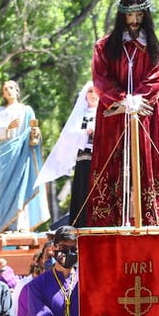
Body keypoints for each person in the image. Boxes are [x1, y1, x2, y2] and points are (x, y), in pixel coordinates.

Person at [86, 0, 159, 227]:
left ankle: (150, 220)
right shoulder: (105, 46)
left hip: (145, 113)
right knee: (113, 164)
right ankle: (110, 221)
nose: (135, 20)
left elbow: (156, 78)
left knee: (147, 162)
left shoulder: (154, 48)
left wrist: (139, 100)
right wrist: (121, 99)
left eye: (139, 14)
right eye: (130, 16)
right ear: (122, 17)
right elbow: (100, 78)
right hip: (114, 114)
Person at [0, 80, 49, 233]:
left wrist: (35, 134)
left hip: (21, 155)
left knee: (21, 185)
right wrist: (7, 127)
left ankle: (21, 225)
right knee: (2, 190)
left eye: (11, 88)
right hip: (4, 155)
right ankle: (4, 225)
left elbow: (34, 130)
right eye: (5, 89)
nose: (8, 91)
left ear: (17, 90)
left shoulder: (26, 110)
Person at [36, 81, 99, 227]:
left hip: (100, 161)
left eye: (96, 92)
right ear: (85, 95)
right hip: (83, 160)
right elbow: (69, 136)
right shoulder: (79, 115)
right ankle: (80, 225)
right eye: (90, 91)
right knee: (81, 192)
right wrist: (84, 134)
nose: (93, 95)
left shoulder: (104, 113)